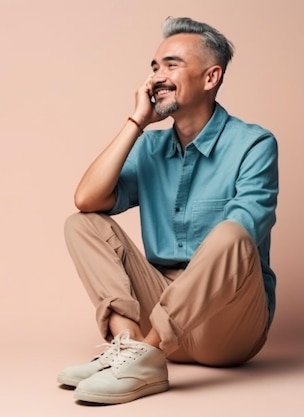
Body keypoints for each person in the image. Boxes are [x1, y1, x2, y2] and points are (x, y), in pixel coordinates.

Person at [57, 16, 279, 404]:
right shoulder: (150, 148)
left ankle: (145, 355)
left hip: (227, 323)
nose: (156, 77)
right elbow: (87, 200)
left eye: (172, 64)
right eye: (154, 66)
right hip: (160, 308)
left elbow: (243, 237)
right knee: (82, 224)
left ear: (211, 78)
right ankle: (129, 350)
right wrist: (137, 122)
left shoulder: (253, 144)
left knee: (231, 232)